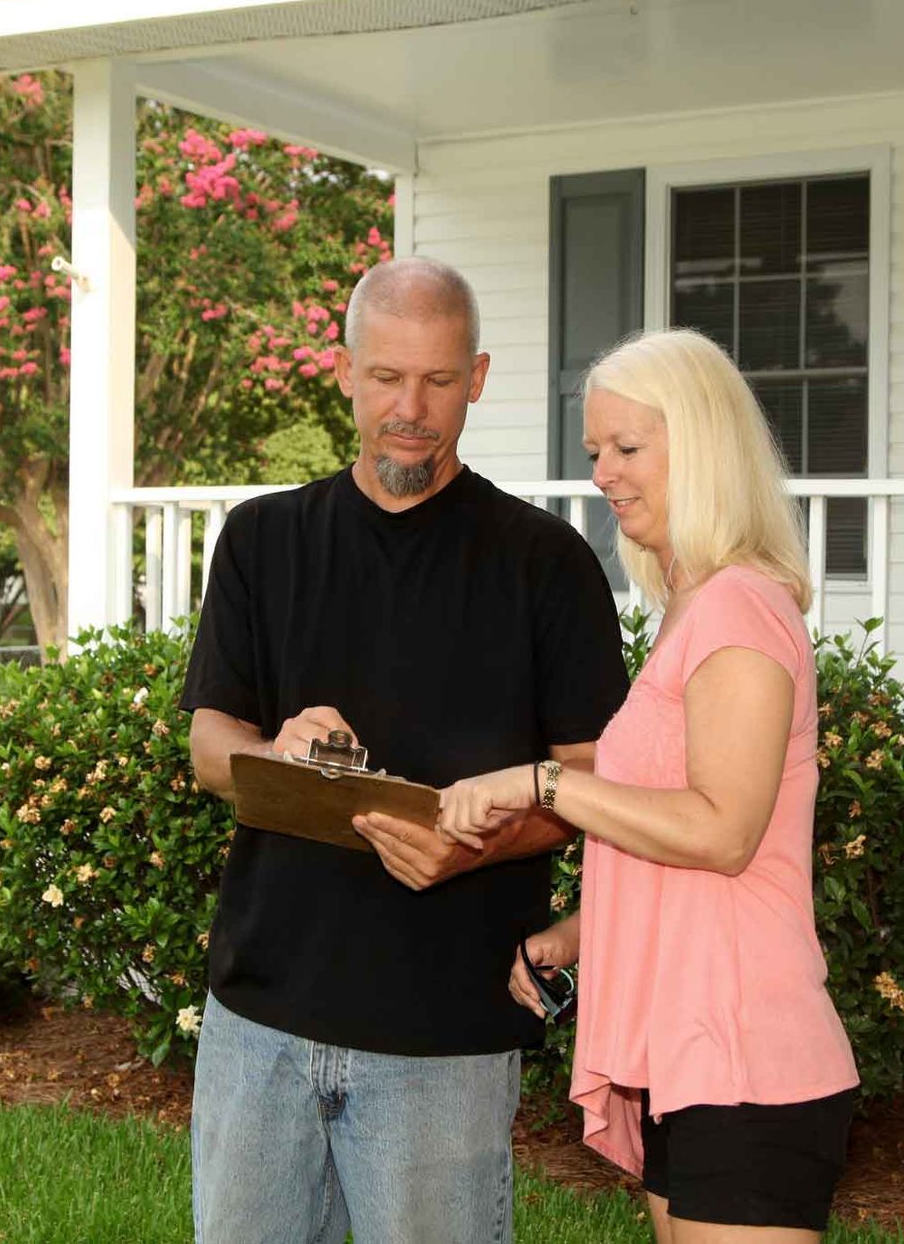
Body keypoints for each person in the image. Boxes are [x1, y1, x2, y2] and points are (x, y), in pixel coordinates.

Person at [180, 256, 629, 1243]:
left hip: (448, 1033)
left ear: (476, 376)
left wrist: (474, 841)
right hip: (261, 1019)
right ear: (344, 371)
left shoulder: (547, 564)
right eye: (386, 377)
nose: (410, 409)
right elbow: (211, 742)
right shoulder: (262, 540)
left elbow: (601, 784)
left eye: (436, 380)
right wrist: (278, 757)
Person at [437, 328, 861, 1243]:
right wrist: (576, 936)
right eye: (595, 451)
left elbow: (723, 834)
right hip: (694, 1055)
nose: (603, 473)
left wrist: (547, 785)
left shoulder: (741, 609)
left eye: (628, 448)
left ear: (704, 445)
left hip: (749, 1055)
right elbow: (683, 849)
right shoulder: (693, 612)